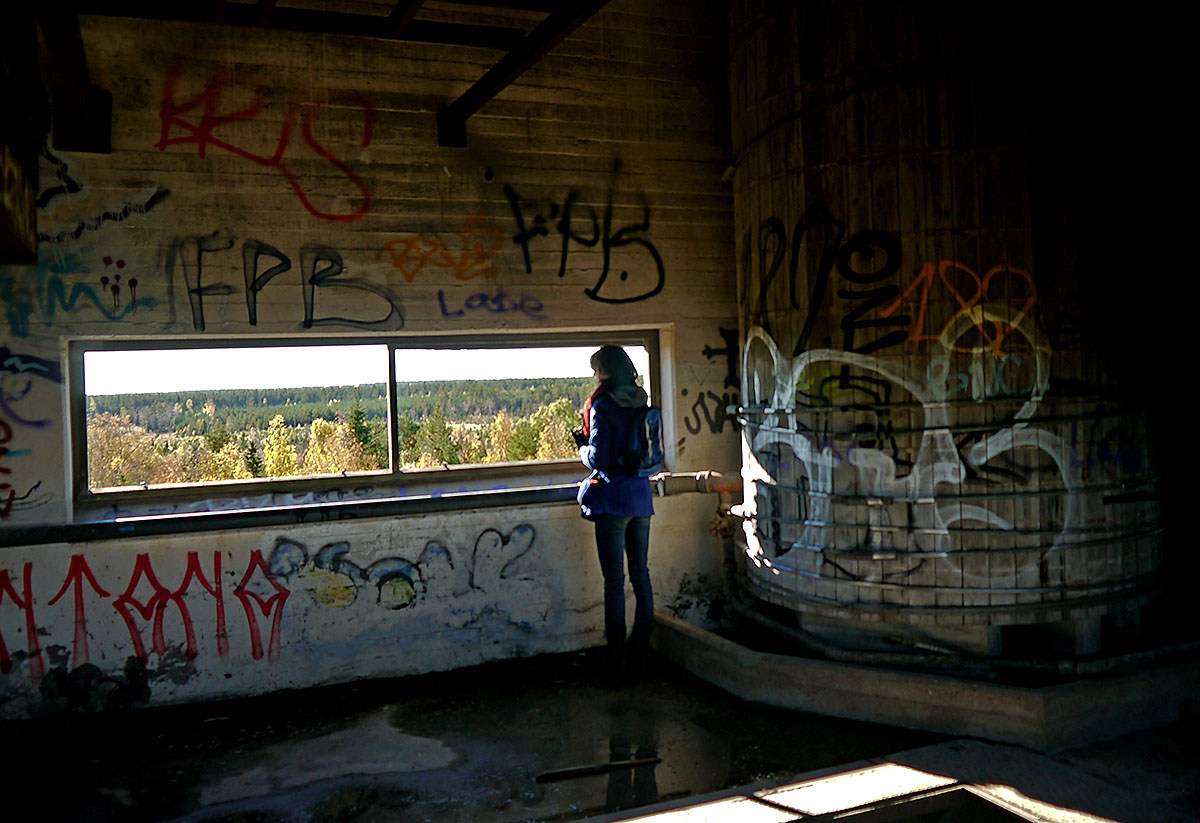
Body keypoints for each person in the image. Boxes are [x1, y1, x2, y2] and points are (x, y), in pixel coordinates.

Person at [574, 345, 654, 680]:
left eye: (596, 370)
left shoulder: (603, 405)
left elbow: (601, 458)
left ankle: (617, 659)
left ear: (604, 371)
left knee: (614, 581)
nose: (595, 376)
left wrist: (582, 449)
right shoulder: (641, 400)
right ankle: (642, 651)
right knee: (641, 574)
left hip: (613, 501)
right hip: (641, 497)